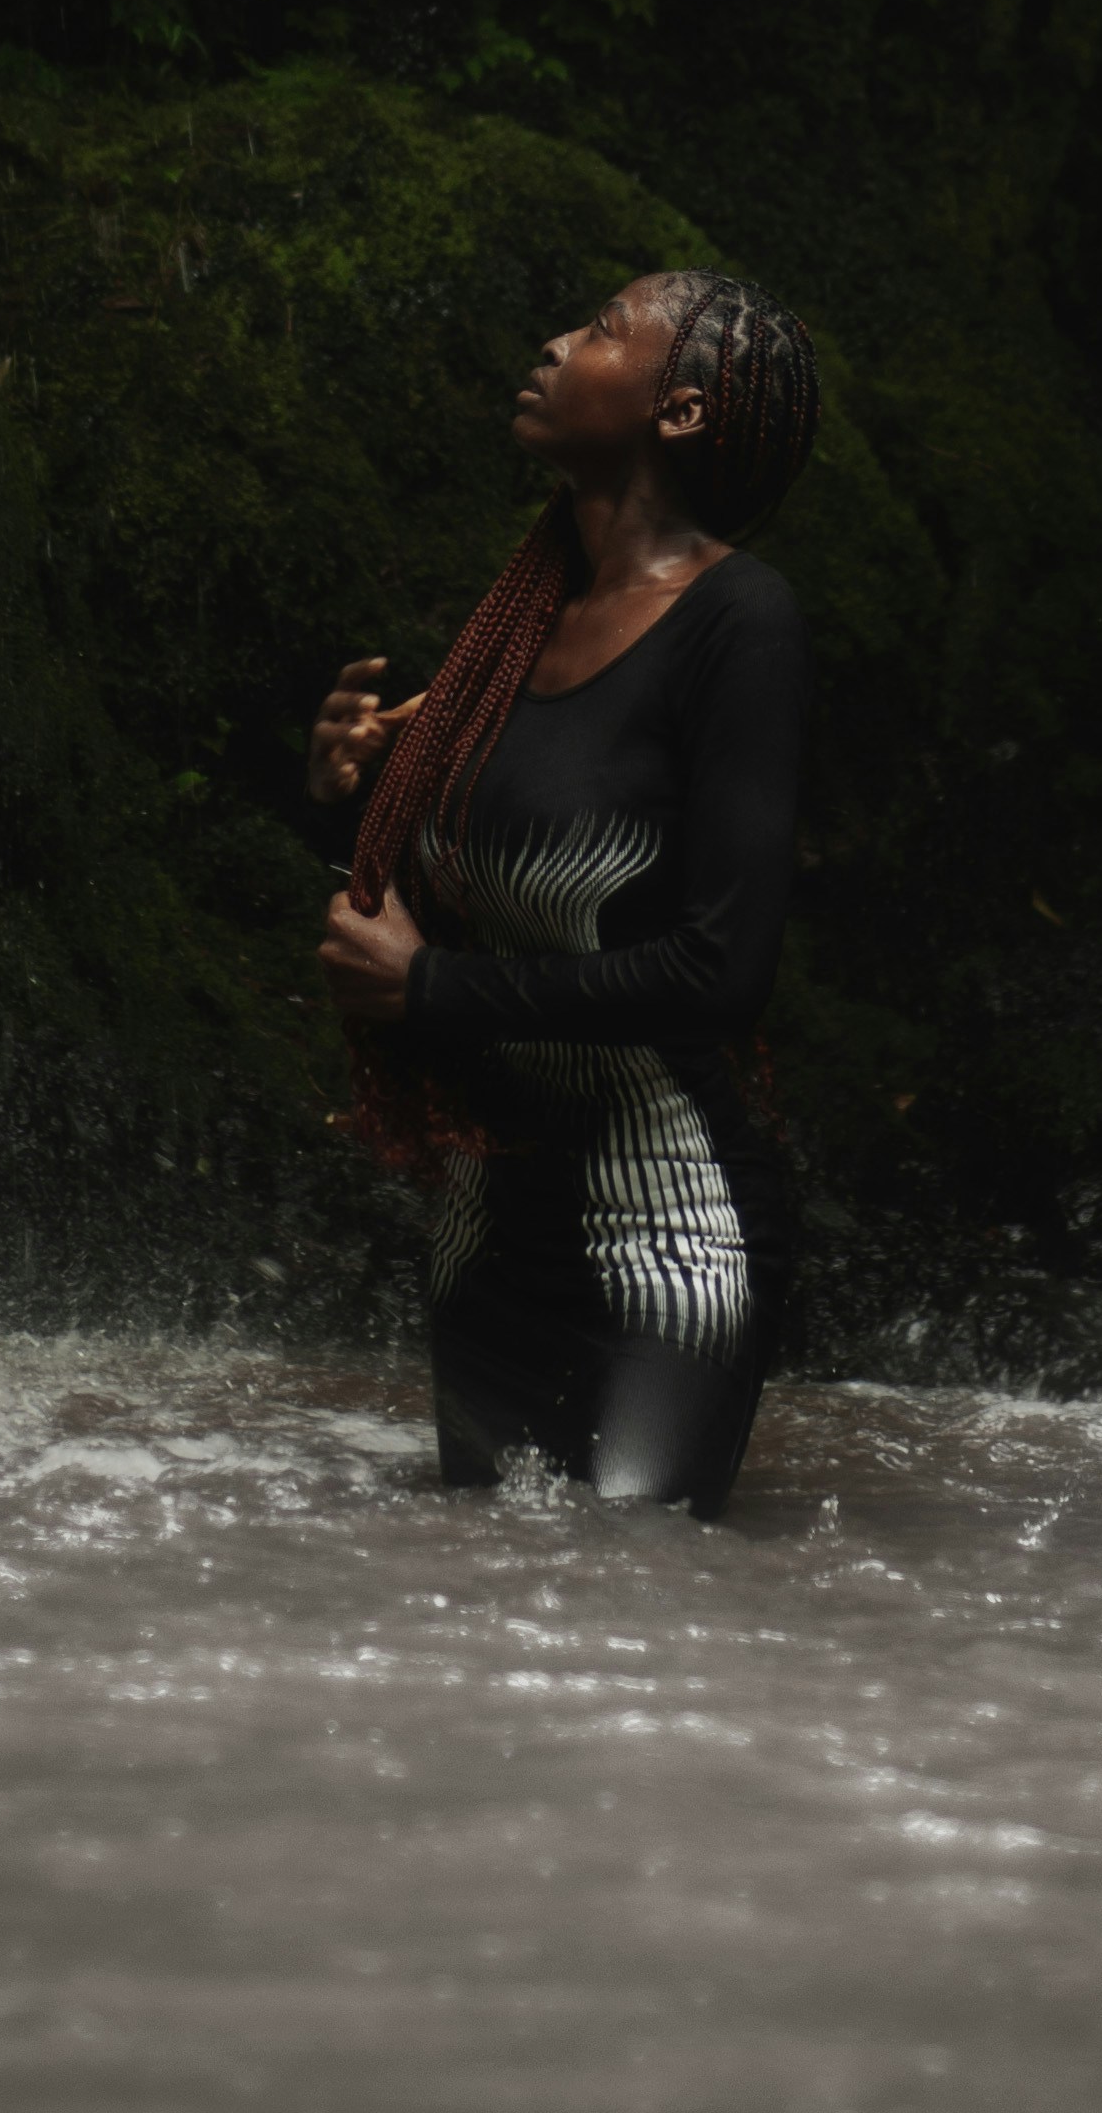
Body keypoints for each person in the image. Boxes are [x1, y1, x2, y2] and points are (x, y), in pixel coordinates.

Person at [307, 268, 820, 1518]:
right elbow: (434, 901)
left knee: (626, 1601)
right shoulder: (518, 627)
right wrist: (343, 796)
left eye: (598, 330)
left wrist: (433, 987)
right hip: (487, 1226)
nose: (553, 343)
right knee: (485, 1606)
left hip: (671, 1226)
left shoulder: (738, 622)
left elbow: (720, 973)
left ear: (682, 410)